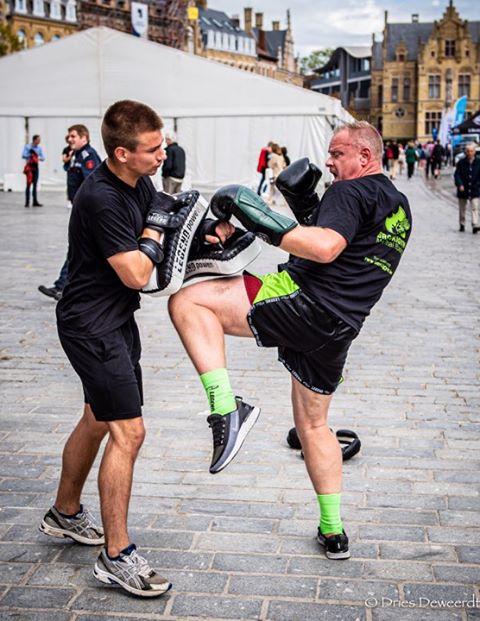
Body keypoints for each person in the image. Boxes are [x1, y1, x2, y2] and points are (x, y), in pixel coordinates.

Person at [168, 121, 412, 561]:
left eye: (337, 154)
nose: (329, 162)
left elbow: (323, 249)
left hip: (304, 301)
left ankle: (227, 408)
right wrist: (307, 210)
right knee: (314, 427)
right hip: (340, 329)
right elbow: (345, 247)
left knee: (188, 303)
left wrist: (255, 213)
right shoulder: (398, 205)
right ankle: (333, 530)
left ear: (364, 156)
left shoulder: (349, 192)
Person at [38, 99, 232, 597]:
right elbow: (138, 272)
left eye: (162, 142)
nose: (163, 153)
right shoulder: (100, 197)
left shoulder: (139, 181)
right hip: (90, 327)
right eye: (152, 148)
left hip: (115, 320)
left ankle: (64, 514)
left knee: (98, 420)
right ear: (122, 153)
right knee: (130, 432)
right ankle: (116, 556)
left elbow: (166, 245)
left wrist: (211, 234)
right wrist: (155, 226)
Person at [38, 125, 101, 301]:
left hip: (87, 210)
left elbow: (92, 183)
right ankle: (66, 286)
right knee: (81, 248)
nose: (70, 139)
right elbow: (74, 174)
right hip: (80, 209)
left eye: (73, 136)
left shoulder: (89, 156)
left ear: (84, 137)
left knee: (78, 248)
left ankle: (63, 286)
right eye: (69, 137)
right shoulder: (77, 155)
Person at [454, 142, 480, 234]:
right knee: (462, 208)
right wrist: (460, 184)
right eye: (468, 151)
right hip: (463, 189)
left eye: (471, 151)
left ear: (474, 152)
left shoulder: (478, 162)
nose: (470, 153)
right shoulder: (461, 163)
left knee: (475, 207)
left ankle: (475, 224)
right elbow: (457, 175)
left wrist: (477, 184)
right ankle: (462, 223)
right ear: (466, 152)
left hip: (475, 189)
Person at [22, 134, 46, 207]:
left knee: (35, 184)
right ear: (34, 140)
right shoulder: (27, 147)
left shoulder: (39, 148)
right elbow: (23, 155)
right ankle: (27, 202)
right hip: (29, 167)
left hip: (35, 167)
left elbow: (43, 157)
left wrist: (37, 157)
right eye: (38, 140)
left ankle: (35, 201)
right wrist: (30, 154)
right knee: (28, 184)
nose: (39, 141)